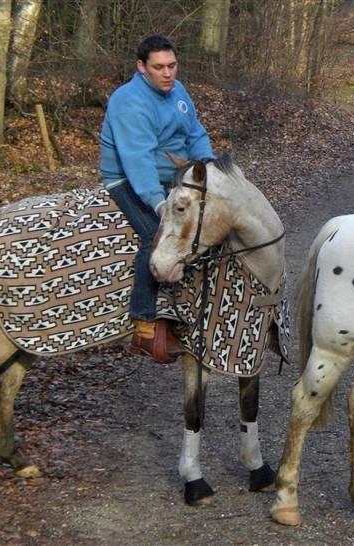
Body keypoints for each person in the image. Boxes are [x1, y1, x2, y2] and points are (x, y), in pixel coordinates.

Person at [100, 34, 215, 363]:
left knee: (208, 225)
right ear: (141, 67)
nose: (168, 73)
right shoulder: (129, 100)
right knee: (157, 233)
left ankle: (191, 309)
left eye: (172, 65)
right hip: (128, 179)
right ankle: (143, 325)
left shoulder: (178, 92)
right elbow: (138, 160)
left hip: (176, 177)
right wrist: (159, 203)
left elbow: (195, 134)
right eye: (159, 67)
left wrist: (209, 171)